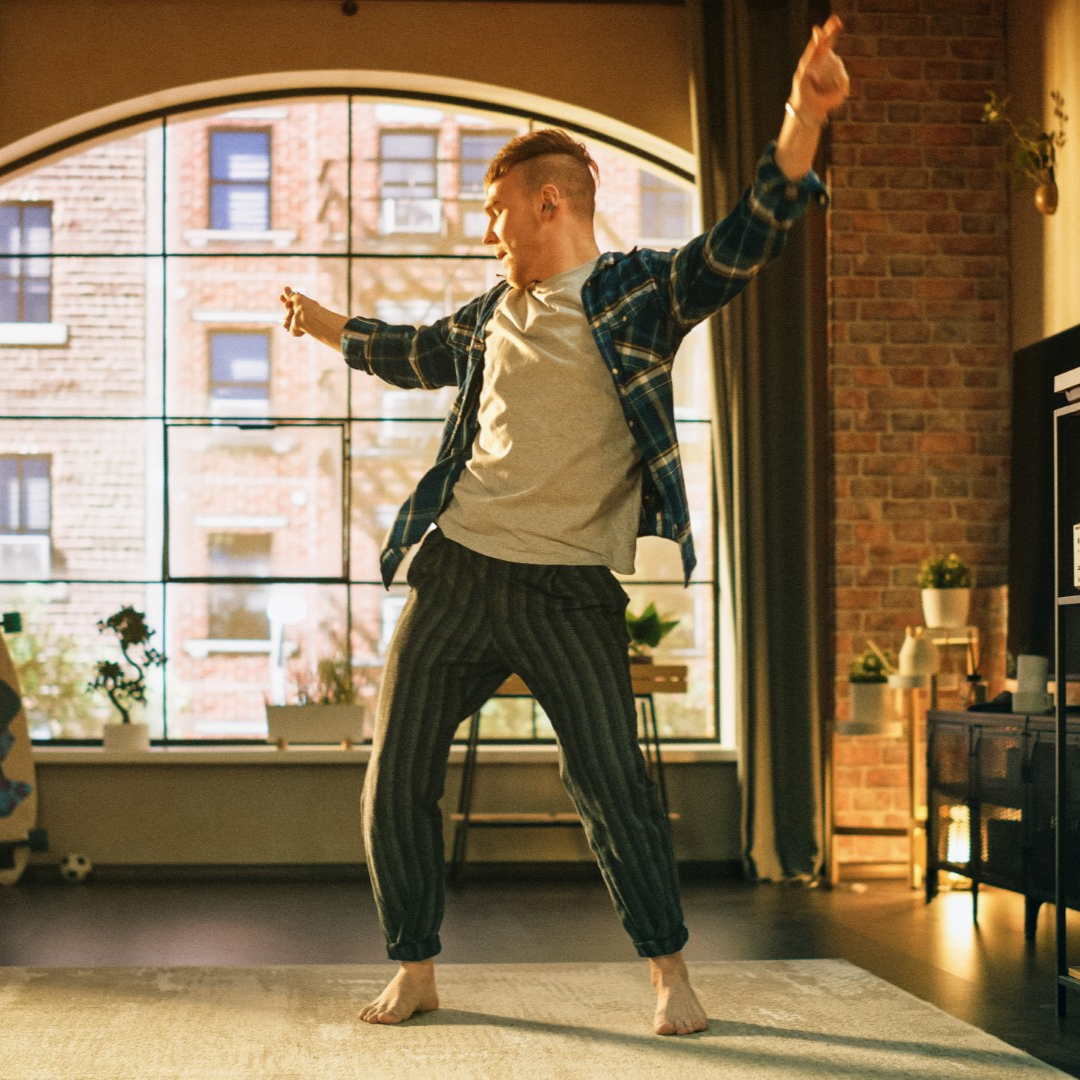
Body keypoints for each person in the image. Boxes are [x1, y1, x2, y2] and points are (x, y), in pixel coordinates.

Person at [280, 16, 849, 1037]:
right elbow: (408, 349)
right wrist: (330, 327)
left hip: (568, 587)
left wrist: (802, 114)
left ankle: (671, 974)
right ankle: (416, 964)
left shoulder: (636, 292)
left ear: (551, 204)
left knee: (611, 785)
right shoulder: (489, 314)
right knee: (394, 777)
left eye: (499, 212)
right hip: (456, 572)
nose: (489, 231)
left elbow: (745, 236)